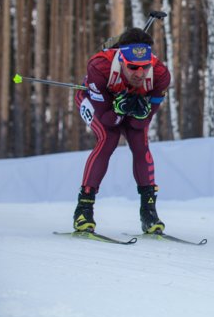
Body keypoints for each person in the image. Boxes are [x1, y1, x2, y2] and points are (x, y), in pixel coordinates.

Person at [73, 28, 171, 234]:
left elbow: (139, 125)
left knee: (140, 142)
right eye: (133, 67)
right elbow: (108, 120)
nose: (140, 73)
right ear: (121, 60)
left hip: (123, 105)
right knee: (109, 138)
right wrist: (118, 109)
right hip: (95, 102)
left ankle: (148, 212)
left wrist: (141, 114)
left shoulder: (160, 74)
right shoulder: (99, 67)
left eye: (145, 67)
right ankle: (83, 209)